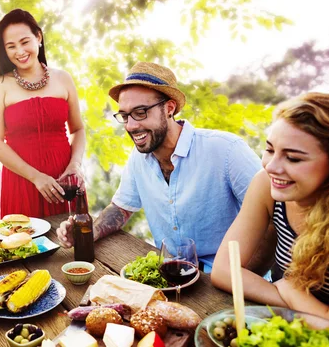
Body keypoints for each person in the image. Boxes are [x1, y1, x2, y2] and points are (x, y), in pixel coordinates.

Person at [57, 61, 266, 273]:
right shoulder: (138, 160)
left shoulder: (227, 150)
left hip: (230, 277)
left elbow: (272, 218)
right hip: (171, 273)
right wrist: (89, 232)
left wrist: (239, 277)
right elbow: (120, 208)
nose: (130, 125)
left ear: (169, 108)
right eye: (125, 115)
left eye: (140, 112)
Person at [211, 93, 329, 322]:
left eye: (293, 158)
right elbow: (223, 271)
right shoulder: (265, 184)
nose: (271, 167)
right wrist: (286, 296)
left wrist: (290, 289)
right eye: (270, 150)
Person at [0, 8, 86, 218]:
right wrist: (36, 177)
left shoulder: (63, 79)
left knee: (74, 243)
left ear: (38, 37)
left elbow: (77, 129)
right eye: (11, 46)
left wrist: (75, 165)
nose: (20, 52)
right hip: (22, 182)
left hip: (64, 181)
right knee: (26, 245)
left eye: (24, 42)